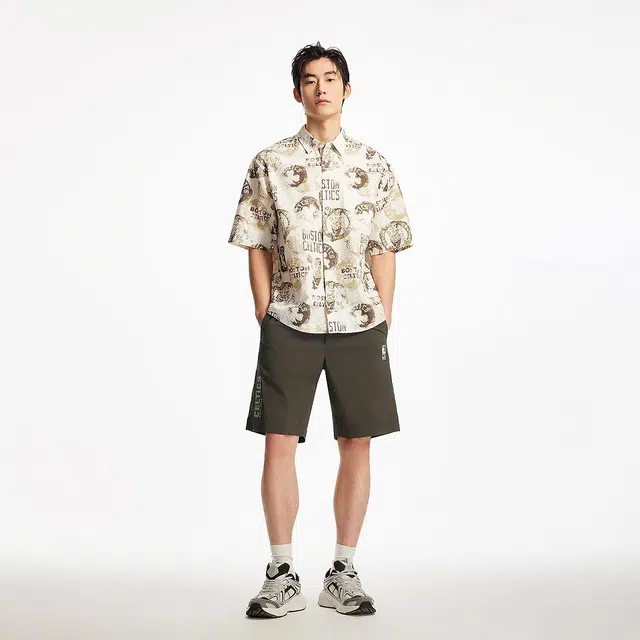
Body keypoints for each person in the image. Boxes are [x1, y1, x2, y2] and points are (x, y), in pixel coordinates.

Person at [228, 41, 414, 619]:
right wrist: (265, 308)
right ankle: (281, 573)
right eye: (310, 80)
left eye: (330, 78)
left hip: (360, 322)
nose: (321, 87)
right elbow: (256, 239)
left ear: (347, 89)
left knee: (356, 442)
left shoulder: (373, 165)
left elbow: (385, 244)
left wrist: (383, 314)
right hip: (291, 319)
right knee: (278, 440)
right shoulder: (270, 162)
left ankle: (343, 572)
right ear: (297, 92)